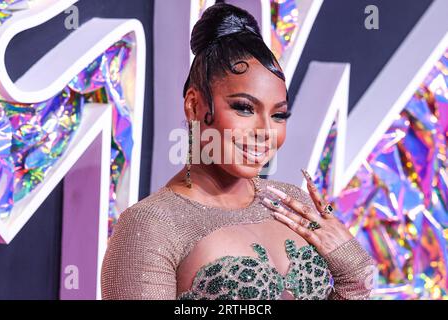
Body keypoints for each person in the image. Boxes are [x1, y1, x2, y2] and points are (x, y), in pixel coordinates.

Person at [101, 3, 376, 300]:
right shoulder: (150, 226)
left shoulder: (292, 205)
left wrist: (355, 276)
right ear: (195, 106)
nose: (265, 131)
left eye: (279, 115)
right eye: (244, 108)